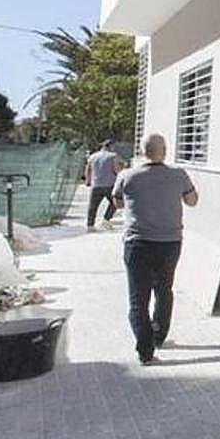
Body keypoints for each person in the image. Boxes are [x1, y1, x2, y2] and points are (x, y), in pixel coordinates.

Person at [111, 133, 198, 365]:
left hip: (137, 243)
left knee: (138, 299)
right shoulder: (179, 175)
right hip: (169, 244)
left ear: (141, 152)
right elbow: (192, 201)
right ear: (165, 150)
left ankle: (145, 349)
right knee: (164, 289)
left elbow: (117, 203)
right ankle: (158, 335)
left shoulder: (127, 176)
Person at [85, 140, 122, 230]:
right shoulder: (113, 156)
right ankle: (106, 220)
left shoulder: (93, 156)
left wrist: (88, 180)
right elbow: (116, 169)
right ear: (110, 146)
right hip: (109, 184)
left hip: (96, 184)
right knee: (115, 202)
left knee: (93, 206)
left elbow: (88, 169)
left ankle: (90, 225)